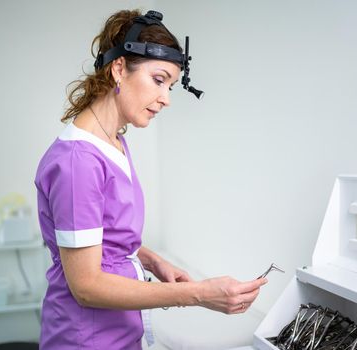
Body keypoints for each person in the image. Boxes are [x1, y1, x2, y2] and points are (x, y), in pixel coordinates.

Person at [34, 9, 267, 350]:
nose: (166, 99)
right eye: (159, 80)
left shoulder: (114, 141)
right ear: (118, 70)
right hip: (86, 339)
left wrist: (151, 259)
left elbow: (102, 230)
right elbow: (86, 286)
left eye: (171, 86)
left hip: (121, 333)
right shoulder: (77, 161)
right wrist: (199, 294)